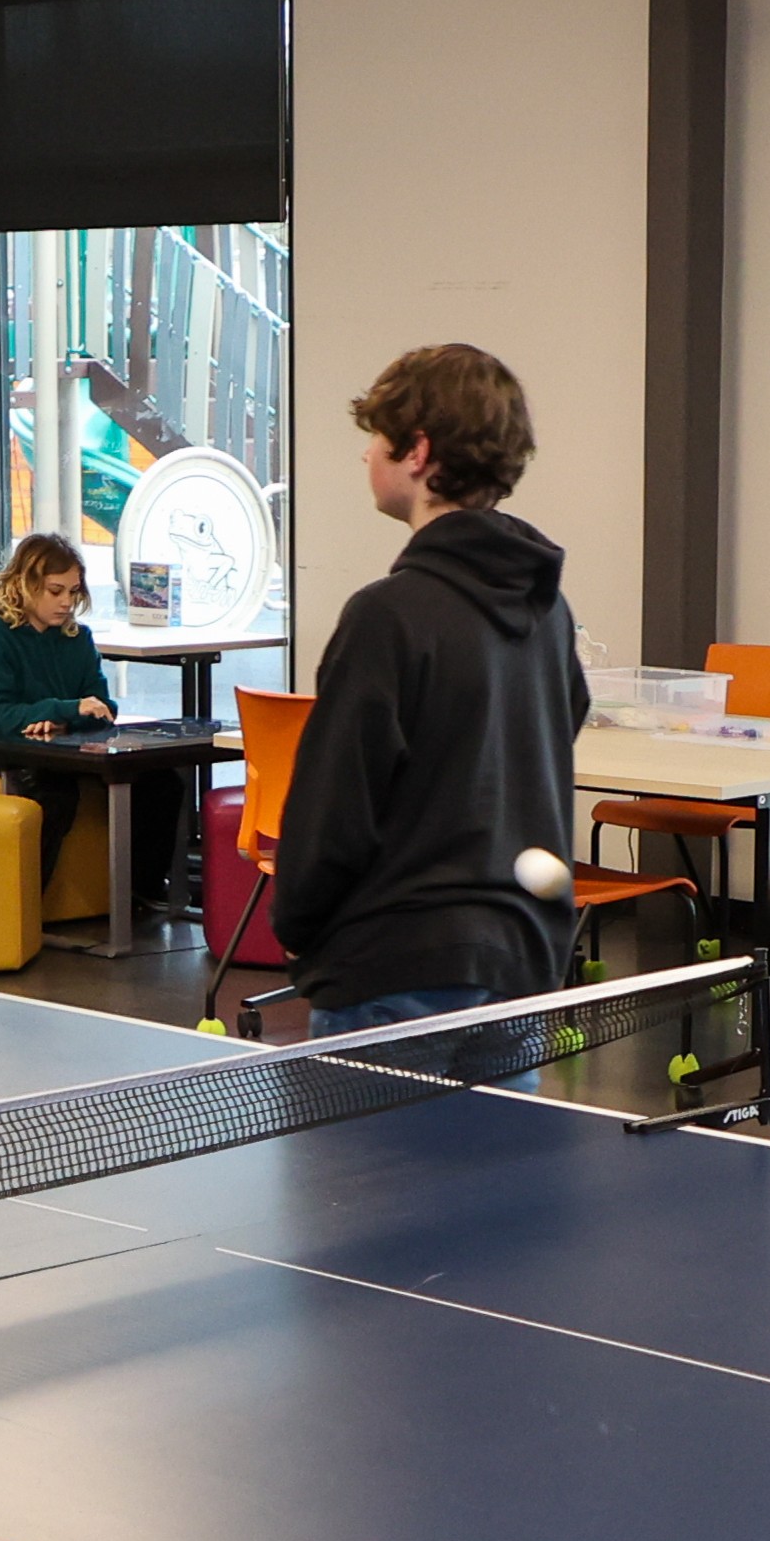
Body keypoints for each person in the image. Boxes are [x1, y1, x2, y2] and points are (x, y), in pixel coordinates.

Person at [272, 343, 587, 1038]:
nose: (365, 457)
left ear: (416, 453)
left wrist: (294, 921)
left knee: (368, 1157)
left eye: (375, 440)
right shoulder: (546, 609)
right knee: (501, 1154)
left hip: (392, 966)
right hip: (516, 964)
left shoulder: (387, 614)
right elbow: (561, 728)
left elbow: (335, 801)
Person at [0, 532, 181, 905]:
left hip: (69, 746)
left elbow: (102, 707)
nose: (67, 602)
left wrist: (69, 716)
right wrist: (63, 710)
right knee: (54, 794)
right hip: (13, 750)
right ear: (25, 585)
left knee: (162, 782)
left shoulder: (77, 638)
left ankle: (140, 890)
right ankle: (25, 907)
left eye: (73, 591)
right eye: (55, 591)